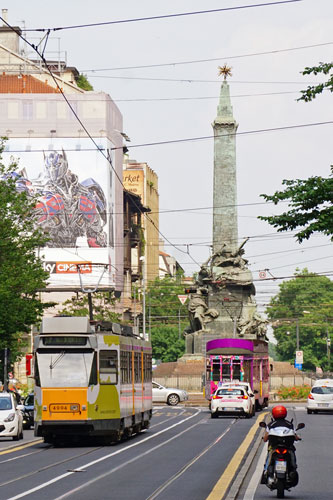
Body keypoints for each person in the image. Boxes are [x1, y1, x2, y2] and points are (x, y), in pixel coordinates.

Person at [261, 405, 300, 483]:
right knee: (292, 453)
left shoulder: (271, 424)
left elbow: (265, 438)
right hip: (287, 447)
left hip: (274, 447)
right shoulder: (289, 424)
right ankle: (293, 467)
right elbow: (295, 436)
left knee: (270, 454)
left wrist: (265, 439)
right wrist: (298, 438)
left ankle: (265, 471)